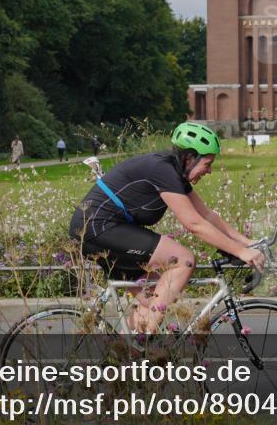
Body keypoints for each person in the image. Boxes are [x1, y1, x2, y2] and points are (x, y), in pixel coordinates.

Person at [69, 122, 266, 333]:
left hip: (110, 230)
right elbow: (194, 224)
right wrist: (242, 252)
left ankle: (131, 356)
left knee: (154, 296)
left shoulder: (174, 174)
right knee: (184, 260)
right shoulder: (162, 170)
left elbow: (206, 214)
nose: (209, 171)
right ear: (190, 158)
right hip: (97, 228)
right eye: (207, 163)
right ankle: (150, 347)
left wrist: (247, 243)